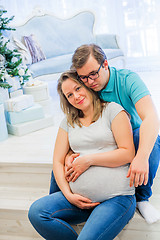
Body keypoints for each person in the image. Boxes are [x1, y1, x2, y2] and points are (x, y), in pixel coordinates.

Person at [28, 70, 136, 240]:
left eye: (78, 89)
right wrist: (69, 195)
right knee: (37, 213)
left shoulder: (112, 110)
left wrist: (88, 160)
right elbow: (57, 161)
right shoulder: (69, 121)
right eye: (69, 95)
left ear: (87, 85)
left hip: (116, 198)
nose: (76, 96)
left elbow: (128, 153)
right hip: (79, 202)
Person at [69, 43, 160, 224]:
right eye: (83, 78)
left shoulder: (128, 80)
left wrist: (141, 157)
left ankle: (141, 198)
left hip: (129, 139)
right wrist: (68, 154)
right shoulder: (83, 86)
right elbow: (74, 124)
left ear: (105, 64)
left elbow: (151, 117)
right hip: (101, 140)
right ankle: (64, 206)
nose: (89, 82)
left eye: (93, 74)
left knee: (148, 138)